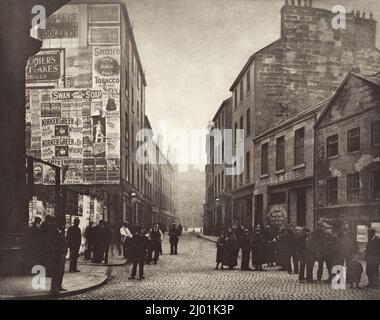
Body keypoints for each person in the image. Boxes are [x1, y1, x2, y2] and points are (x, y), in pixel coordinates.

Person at [40, 215, 67, 294]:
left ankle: (58, 286)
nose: (54, 222)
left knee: (60, 271)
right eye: (53, 220)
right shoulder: (48, 228)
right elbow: (53, 241)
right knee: (57, 271)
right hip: (56, 253)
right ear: (49, 220)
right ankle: (54, 288)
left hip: (59, 252)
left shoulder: (52, 228)